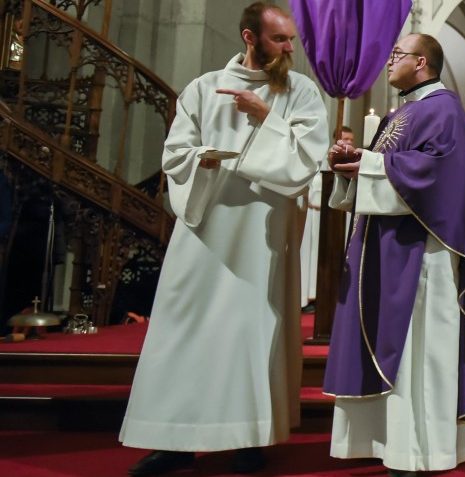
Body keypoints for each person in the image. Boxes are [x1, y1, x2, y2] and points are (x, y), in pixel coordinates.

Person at [119, 3, 328, 476]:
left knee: (249, 336)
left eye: (292, 39)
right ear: (250, 38)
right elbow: (176, 154)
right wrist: (203, 162)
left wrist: (263, 118)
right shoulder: (202, 89)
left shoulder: (301, 92)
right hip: (205, 229)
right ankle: (173, 440)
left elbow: (306, 160)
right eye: (280, 39)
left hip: (262, 232)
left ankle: (250, 438)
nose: (290, 48)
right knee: (185, 331)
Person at [322, 33, 465, 477]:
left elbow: (437, 174)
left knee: (418, 349)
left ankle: (420, 450)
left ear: (421, 62)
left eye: (397, 55)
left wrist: (372, 164)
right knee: (391, 342)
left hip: (424, 255)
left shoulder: (444, 110)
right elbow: (382, 167)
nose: (388, 61)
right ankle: (386, 441)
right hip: (386, 245)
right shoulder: (406, 110)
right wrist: (353, 163)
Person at [299, 126, 353, 313]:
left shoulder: (352, 160)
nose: (348, 143)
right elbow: (313, 187)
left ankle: (330, 295)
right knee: (313, 258)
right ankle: (310, 297)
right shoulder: (323, 157)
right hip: (316, 218)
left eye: (351, 140)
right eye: (345, 139)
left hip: (337, 218)